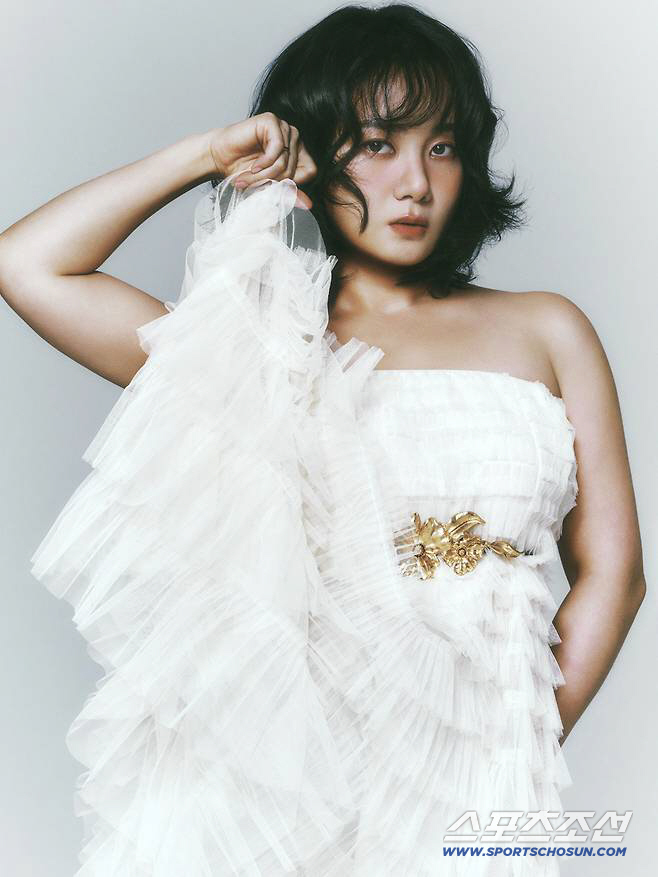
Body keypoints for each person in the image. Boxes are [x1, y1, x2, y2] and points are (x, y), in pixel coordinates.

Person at [0, 3, 645, 875]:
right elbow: (29, 264)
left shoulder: (550, 329)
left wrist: (515, 746)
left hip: (477, 782)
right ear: (311, 147)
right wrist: (209, 155)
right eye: (377, 144)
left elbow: (617, 573)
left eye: (443, 146)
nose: (415, 183)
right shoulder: (254, 344)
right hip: (285, 791)